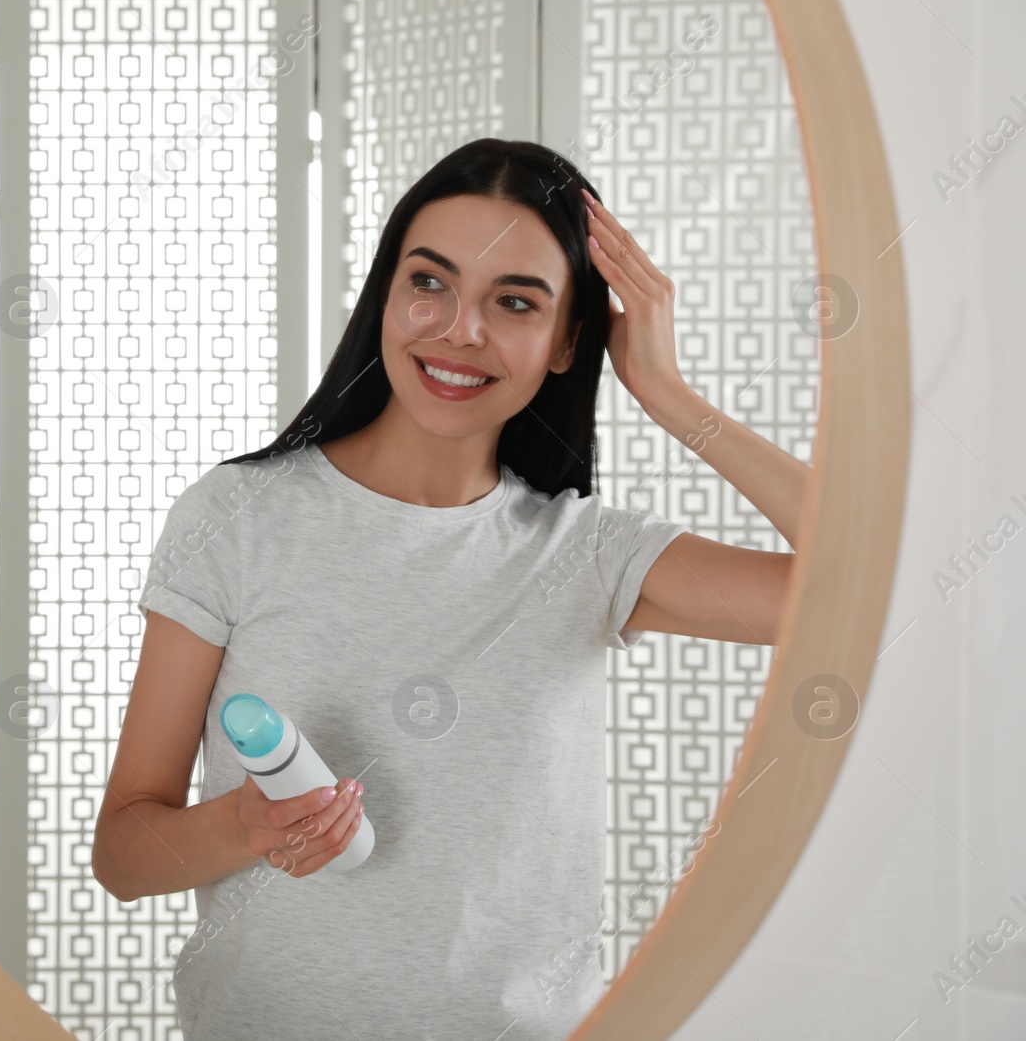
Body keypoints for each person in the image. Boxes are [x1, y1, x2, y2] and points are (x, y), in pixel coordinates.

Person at [90, 138, 806, 1040]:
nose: (460, 329)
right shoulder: (237, 517)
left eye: (515, 302)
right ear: (387, 295)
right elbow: (123, 852)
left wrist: (667, 394)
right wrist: (244, 826)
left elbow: (863, 587)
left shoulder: (589, 554)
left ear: (567, 341)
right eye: (430, 282)